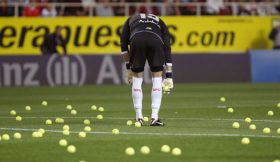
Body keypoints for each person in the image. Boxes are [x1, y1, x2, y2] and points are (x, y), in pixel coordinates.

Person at [120, 13, 173, 126]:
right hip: (155, 40)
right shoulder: (161, 21)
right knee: (157, 78)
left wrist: (128, 68)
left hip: (137, 39)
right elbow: (167, 48)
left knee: (137, 78)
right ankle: (154, 117)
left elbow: (124, 45)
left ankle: (139, 117)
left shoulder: (130, 19)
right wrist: (169, 75)